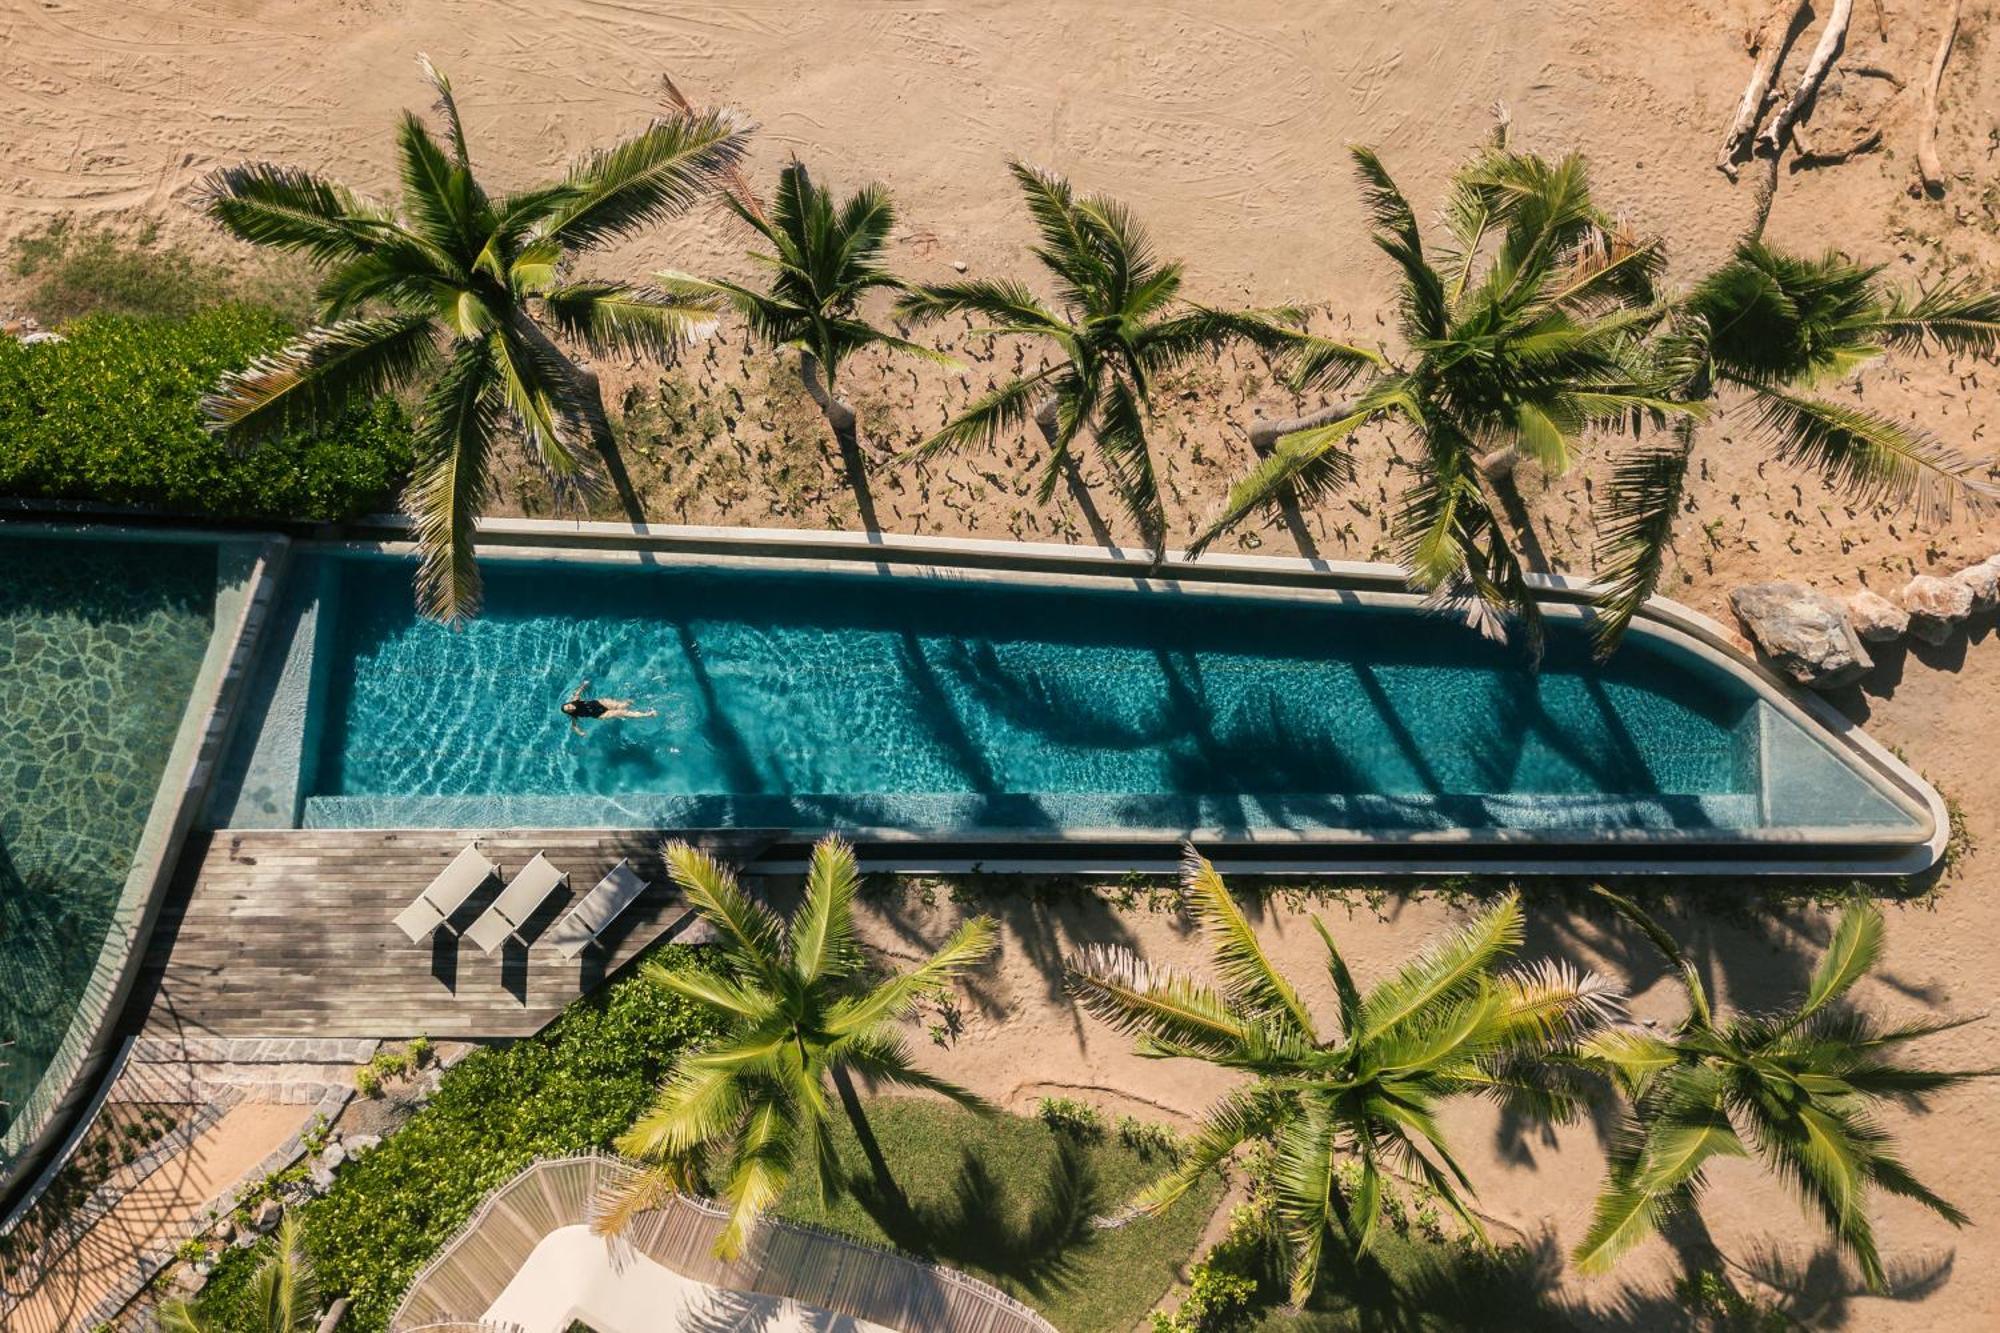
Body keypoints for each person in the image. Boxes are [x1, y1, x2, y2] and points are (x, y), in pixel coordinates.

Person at [562, 679, 657, 736]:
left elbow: (578, 691)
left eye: (569, 706)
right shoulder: (574, 715)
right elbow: (574, 726)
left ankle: (638, 698)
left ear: (569, 703)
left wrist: (584, 684)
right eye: (568, 710)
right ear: (569, 712)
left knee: (623, 705)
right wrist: (580, 733)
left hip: (601, 703)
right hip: (600, 714)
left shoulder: (575, 700)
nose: (570, 708)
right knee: (623, 713)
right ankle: (648, 714)